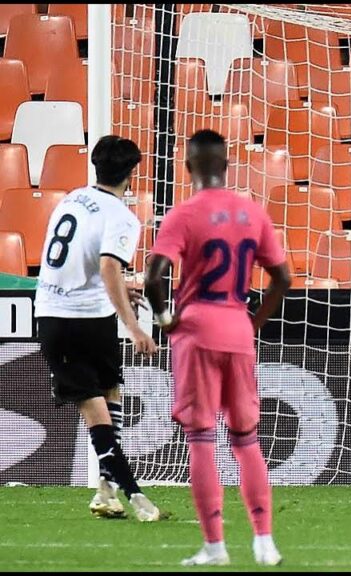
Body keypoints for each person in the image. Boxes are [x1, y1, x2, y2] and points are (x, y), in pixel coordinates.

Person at [145, 129, 291, 567]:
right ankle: (265, 542)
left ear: (187, 168)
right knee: (247, 440)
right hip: (238, 331)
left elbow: (154, 278)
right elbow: (282, 278)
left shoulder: (183, 214)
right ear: (226, 166)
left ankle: (215, 546)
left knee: (202, 440)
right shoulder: (252, 212)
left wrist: (166, 320)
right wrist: (253, 323)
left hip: (197, 329)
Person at [34, 135, 162, 520]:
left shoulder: (71, 199)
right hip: (85, 318)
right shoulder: (122, 216)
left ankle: (105, 490)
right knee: (97, 409)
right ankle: (137, 497)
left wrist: (120, 294)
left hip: (57, 313)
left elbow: (81, 260)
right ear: (132, 173)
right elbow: (108, 265)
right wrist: (136, 328)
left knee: (109, 392)